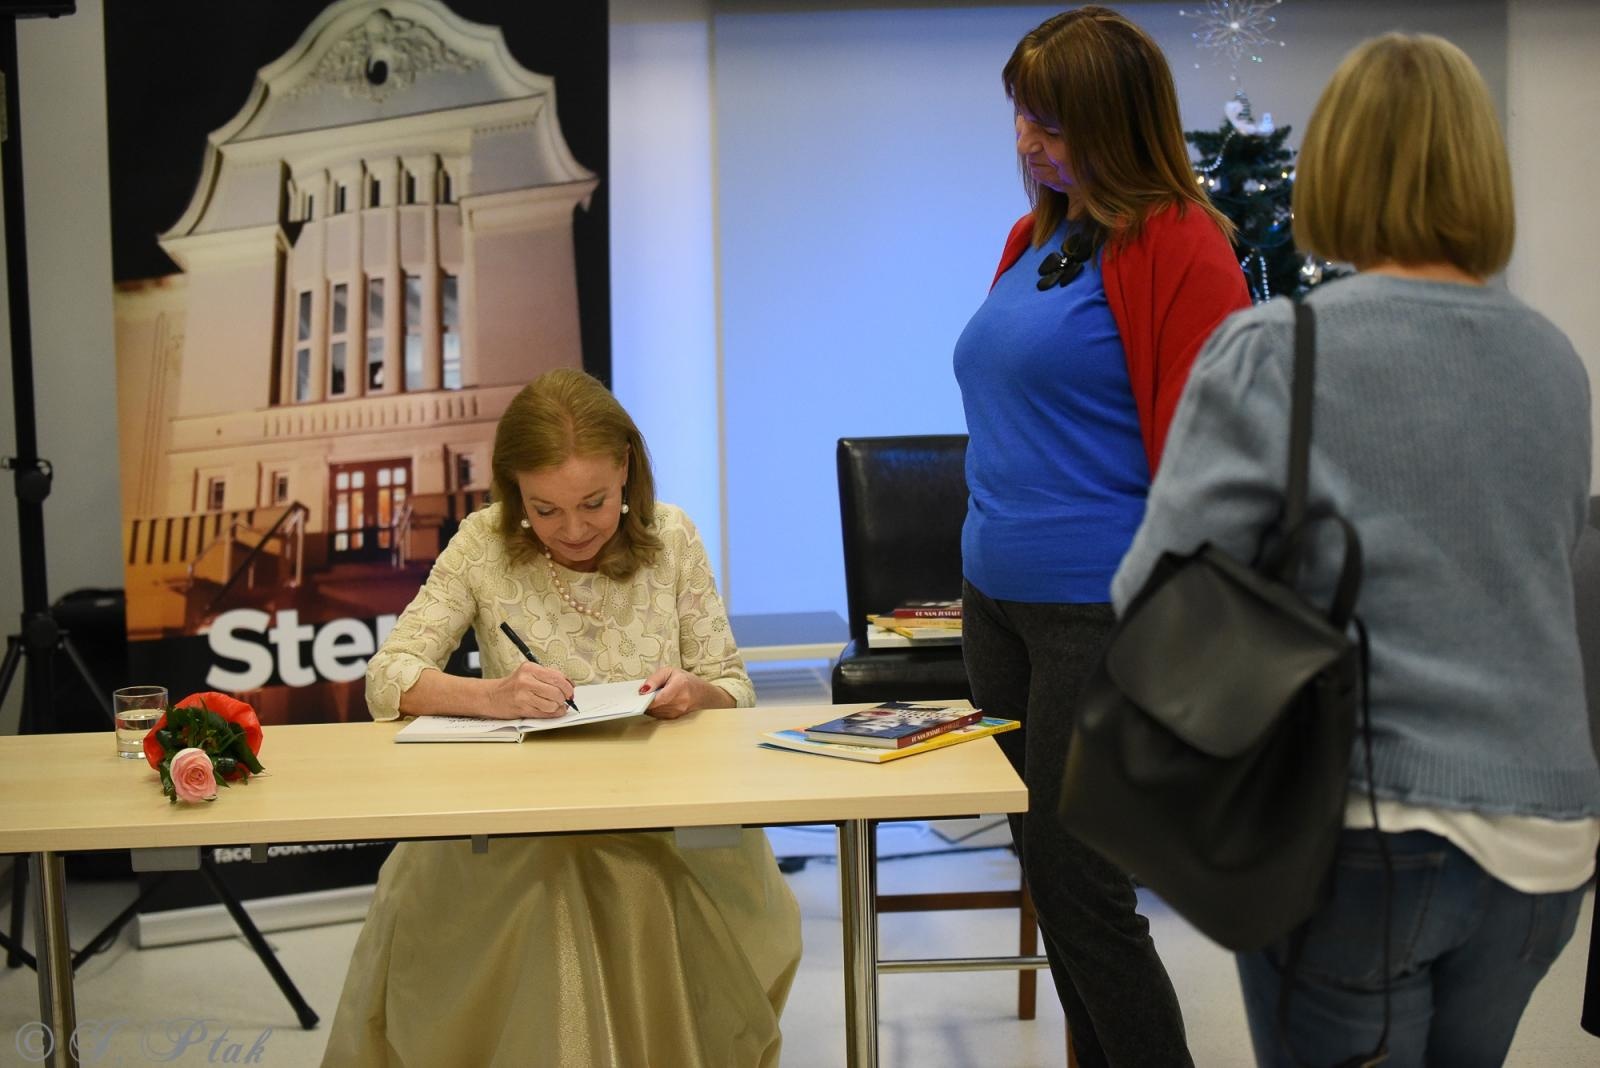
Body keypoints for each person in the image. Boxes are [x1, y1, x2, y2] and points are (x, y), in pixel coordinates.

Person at [1113, 33, 1600, 1067]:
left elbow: (1151, 588)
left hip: (1364, 829)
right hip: (1548, 838)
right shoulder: (1554, 362)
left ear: (1332, 167)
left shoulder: (1276, 348)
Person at [321, 369, 802, 1068]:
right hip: (520, 820)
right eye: (544, 509)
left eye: (594, 503)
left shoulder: (671, 537)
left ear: (626, 469)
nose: (573, 530)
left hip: (664, 814)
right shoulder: (482, 543)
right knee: (564, 881)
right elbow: (387, 676)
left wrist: (694, 693)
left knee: (633, 880)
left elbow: (735, 688)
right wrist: (493, 696)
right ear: (513, 488)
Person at [952, 7, 1250, 1066]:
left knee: (1084, 888)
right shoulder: (1031, 235)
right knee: (1050, 876)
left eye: (1053, 125)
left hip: (1100, 608)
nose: (1028, 142)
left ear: (1118, 124)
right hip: (997, 603)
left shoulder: (1181, 244)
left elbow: (1211, 460)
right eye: (1021, 118)